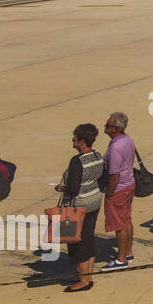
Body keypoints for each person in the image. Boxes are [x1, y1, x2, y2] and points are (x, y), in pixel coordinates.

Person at [54, 124, 105, 292]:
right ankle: (88, 275)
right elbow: (101, 178)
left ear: (82, 141)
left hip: (80, 205)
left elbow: (73, 187)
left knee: (79, 243)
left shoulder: (77, 161)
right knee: (88, 238)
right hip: (95, 200)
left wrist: (62, 188)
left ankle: (84, 281)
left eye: (74, 138)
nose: (73, 141)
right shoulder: (97, 155)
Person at [100, 112, 137, 269]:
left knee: (119, 224)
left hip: (119, 188)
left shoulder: (115, 147)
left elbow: (114, 174)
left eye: (108, 125)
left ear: (115, 128)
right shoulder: (127, 139)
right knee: (127, 219)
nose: (105, 126)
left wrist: (109, 194)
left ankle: (121, 259)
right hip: (129, 184)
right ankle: (128, 253)